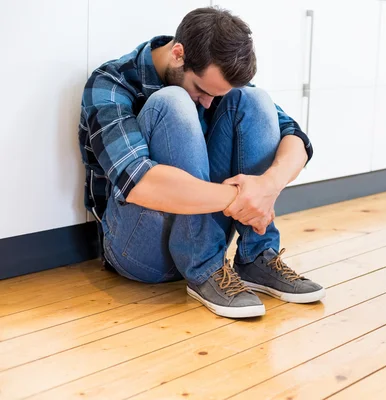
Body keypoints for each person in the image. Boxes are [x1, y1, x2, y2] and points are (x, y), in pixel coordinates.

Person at [78, 7, 325, 319]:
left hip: (211, 232)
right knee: (172, 101)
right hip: (139, 249)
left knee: (255, 100)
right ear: (178, 54)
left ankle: (257, 256)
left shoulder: (214, 78)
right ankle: (203, 266)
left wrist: (267, 186)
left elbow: (297, 140)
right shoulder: (110, 82)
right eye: (202, 90)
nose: (209, 102)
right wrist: (242, 199)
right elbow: (139, 182)